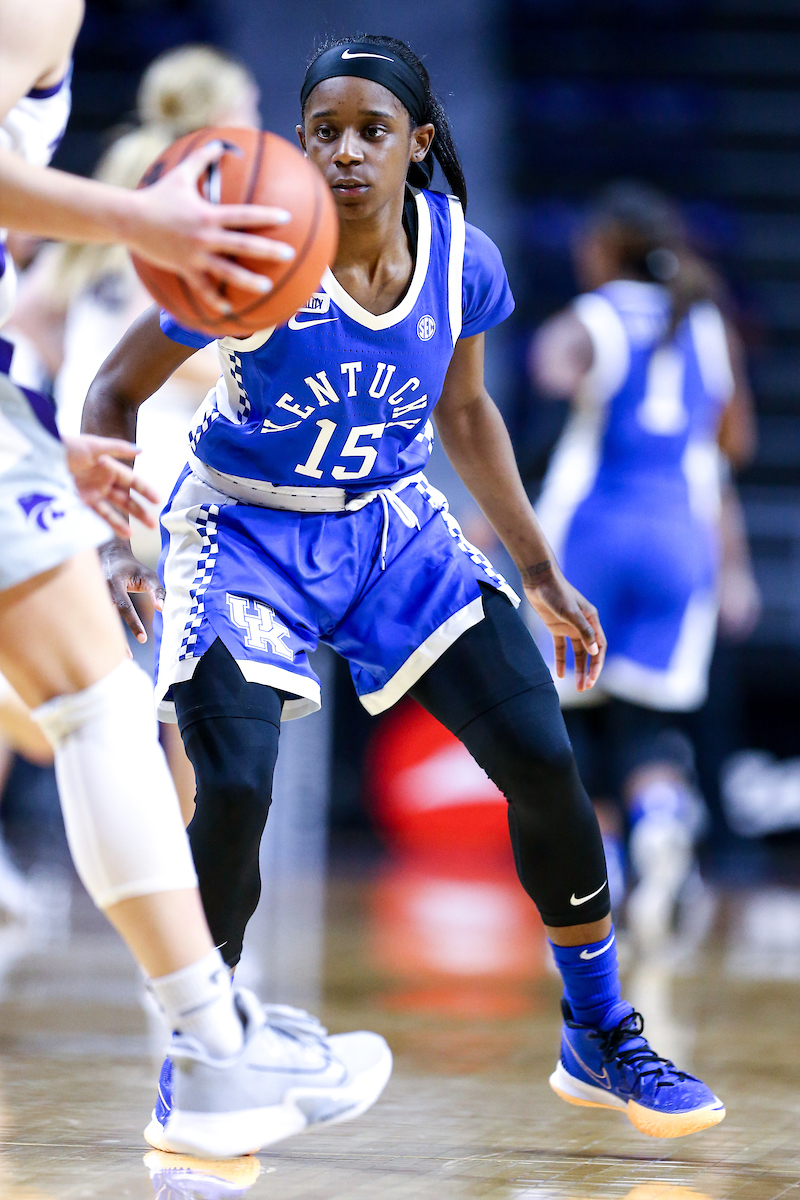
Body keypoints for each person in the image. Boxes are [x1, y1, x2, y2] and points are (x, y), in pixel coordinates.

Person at [86, 35, 725, 1141]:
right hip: (244, 530)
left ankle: (599, 1033)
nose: (344, 151)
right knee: (233, 787)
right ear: (299, 144)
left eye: (370, 131)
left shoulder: (460, 256)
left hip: (389, 526)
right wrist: (112, 546)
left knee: (543, 756)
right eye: (323, 132)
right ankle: (204, 1055)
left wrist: (537, 569)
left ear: (416, 142)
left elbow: (465, 412)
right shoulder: (254, 252)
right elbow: (111, 390)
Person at [0, 0, 391, 1159]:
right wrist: (148, 226)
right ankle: (214, 1042)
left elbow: (42, 315)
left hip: (89, 458)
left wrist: (44, 423)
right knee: (100, 707)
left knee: (97, 706)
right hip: (177, 490)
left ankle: (214, 1028)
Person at [9, 45, 265, 817]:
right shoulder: (200, 204)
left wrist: (64, 401)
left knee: (68, 692)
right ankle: (190, 878)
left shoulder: (122, 182)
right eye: (250, 108)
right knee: (190, 705)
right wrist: (253, 375)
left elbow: (28, 316)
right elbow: (146, 341)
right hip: (159, 484)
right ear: (222, 118)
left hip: (77, 474)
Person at [529, 181, 759, 942]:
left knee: (579, 717)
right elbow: (733, 448)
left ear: (602, 249)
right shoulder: (710, 326)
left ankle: (608, 871)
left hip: (588, 538)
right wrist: (736, 571)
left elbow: (547, 378)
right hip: (682, 540)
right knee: (651, 721)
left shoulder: (592, 317)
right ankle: (660, 817)